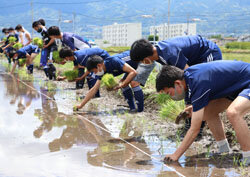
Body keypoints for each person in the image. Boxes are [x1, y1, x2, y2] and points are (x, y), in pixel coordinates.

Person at [155, 60, 250, 166]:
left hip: (246, 81)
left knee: (233, 113)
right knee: (206, 113)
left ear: (177, 83)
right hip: (236, 86)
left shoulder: (198, 81)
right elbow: (199, 109)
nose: (170, 96)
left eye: (169, 92)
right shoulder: (187, 80)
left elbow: (195, 129)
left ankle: (248, 157)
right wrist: (194, 108)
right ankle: (223, 149)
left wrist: (176, 155)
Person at [130, 35, 223, 137]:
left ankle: (197, 128)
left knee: (201, 89)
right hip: (194, 59)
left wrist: (188, 102)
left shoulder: (170, 54)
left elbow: (191, 78)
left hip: (207, 53)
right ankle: (191, 125)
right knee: (190, 89)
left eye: (141, 62)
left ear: (146, 59)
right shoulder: (158, 53)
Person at [74, 51, 144, 113]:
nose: (94, 74)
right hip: (132, 67)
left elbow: (133, 72)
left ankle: (140, 111)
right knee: (123, 82)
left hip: (143, 60)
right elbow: (94, 89)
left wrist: (123, 84)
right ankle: (132, 108)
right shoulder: (101, 71)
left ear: (99, 66)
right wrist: (81, 105)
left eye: (94, 71)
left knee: (133, 83)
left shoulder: (113, 61)